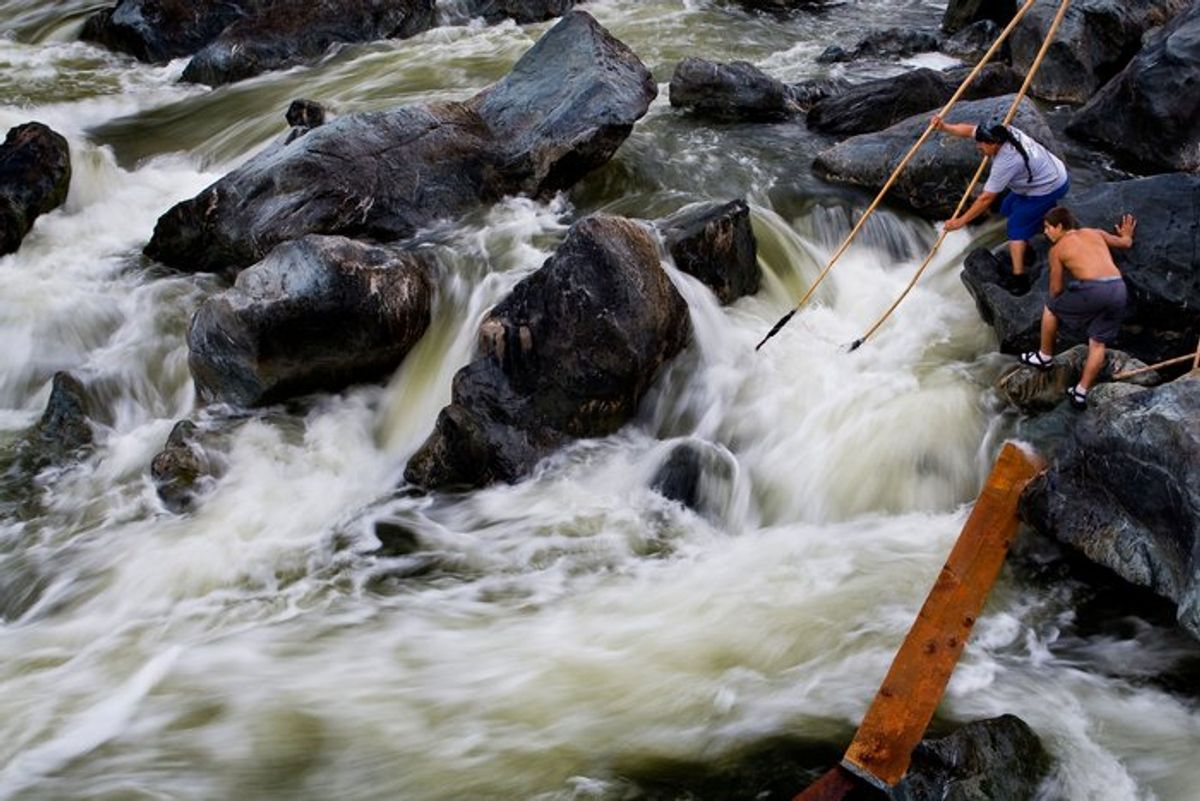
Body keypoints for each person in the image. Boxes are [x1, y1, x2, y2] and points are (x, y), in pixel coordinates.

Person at [931, 116, 1069, 295]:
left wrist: (960, 222)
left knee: (1015, 228)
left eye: (981, 144)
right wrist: (943, 126)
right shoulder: (1003, 131)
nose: (978, 147)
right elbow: (968, 130)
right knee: (1006, 207)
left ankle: (1019, 276)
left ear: (994, 144)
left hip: (1050, 186)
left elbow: (986, 198)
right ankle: (1036, 225)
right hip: (1045, 175)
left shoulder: (1006, 161)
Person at [1018, 206, 1135, 409]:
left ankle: (1044, 356)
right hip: (1118, 288)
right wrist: (1126, 234)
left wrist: (1064, 297)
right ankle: (1081, 392)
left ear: (1060, 226)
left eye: (1048, 228)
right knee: (1098, 344)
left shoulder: (1058, 249)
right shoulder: (1095, 232)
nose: (1045, 233)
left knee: (1051, 307)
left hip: (1094, 290)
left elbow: (1055, 289)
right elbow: (1125, 243)